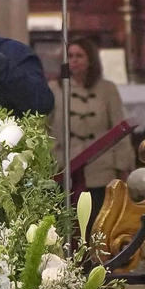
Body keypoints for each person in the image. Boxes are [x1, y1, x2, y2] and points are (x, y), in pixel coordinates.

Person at [53, 37, 134, 234]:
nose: (74, 60)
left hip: (100, 170)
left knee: (99, 228)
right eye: (70, 56)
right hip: (67, 168)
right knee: (71, 229)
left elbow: (119, 128)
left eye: (79, 55)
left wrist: (123, 166)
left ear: (91, 59)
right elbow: (47, 130)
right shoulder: (55, 89)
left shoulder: (107, 89)